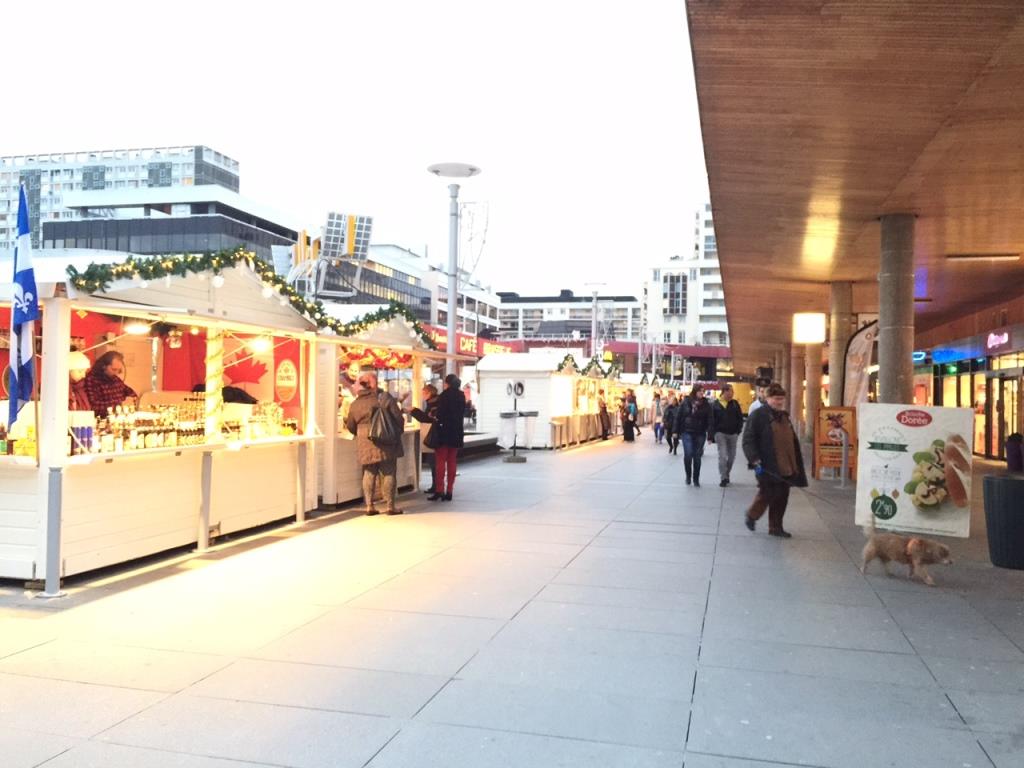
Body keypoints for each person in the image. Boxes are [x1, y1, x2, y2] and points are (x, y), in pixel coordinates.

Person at [741, 382, 807, 538]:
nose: (779, 402)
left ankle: (776, 527)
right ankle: (752, 515)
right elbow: (748, 439)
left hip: (786, 464)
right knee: (767, 492)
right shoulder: (758, 415)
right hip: (766, 463)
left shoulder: (784, 416)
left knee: (782, 495)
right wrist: (754, 459)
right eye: (776, 398)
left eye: (781, 399)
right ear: (768, 398)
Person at [345, 372, 405, 516]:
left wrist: (362, 433)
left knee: (369, 473)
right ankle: (390, 506)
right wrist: (396, 433)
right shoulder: (385, 398)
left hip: (365, 442)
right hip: (386, 441)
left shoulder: (355, 403)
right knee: (389, 472)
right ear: (374, 383)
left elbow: (351, 426)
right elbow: (398, 419)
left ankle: (369, 506)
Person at [430, 373, 466, 501]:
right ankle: (449, 491)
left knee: (440, 462)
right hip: (456, 432)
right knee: (452, 461)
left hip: (443, 432)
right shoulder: (462, 396)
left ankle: (439, 490)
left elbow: (439, 414)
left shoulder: (444, 396)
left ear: (447, 383)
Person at [675, 384, 712, 486]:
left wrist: (710, 435)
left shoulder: (706, 404)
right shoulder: (686, 402)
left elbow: (710, 419)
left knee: (697, 456)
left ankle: (696, 478)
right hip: (686, 432)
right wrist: (675, 431)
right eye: (700, 391)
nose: (702, 393)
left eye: (703, 391)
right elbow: (678, 416)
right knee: (688, 454)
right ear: (695, 391)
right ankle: (688, 476)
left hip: (700, 433)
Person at [407, 383, 440, 494]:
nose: (422, 396)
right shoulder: (434, 402)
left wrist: (414, 411)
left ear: (429, 393)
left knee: (434, 462)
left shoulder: (433, 404)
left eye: (423, 393)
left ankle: (437, 486)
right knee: (434, 462)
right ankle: (436, 485)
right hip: (437, 435)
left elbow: (427, 419)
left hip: (434, 436)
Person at [83, 351, 137, 418]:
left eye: (119, 370)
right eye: (114, 369)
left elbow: (131, 393)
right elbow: (93, 406)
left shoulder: (115, 379)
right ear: (103, 366)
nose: (116, 373)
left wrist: (131, 399)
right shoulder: (91, 380)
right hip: (101, 421)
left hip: (118, 419)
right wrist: (119, 405)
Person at [710, 383, 744, 487]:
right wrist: (711, 435)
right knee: (722, 455)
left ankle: (726, 473)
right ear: (725, 392)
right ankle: (723, 477)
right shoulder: (715, 404)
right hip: (720, 433)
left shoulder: (735, 404)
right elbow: (711, 421)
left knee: (732, 457)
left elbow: (740, 418)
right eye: (731, 391)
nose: (733, 393)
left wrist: (738, 430)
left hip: (733, 434)